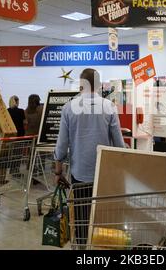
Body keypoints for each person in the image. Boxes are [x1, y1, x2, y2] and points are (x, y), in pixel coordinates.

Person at [54, 68, 125, 244]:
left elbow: (62, 145)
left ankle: (83, 249)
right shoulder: (109, 106)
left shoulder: (68, 107)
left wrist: (58, 172)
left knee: (82, 219)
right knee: (103, 219)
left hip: (79, 175)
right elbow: (119, 144)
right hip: (104, 174)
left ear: (81, 84)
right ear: (99, 85)